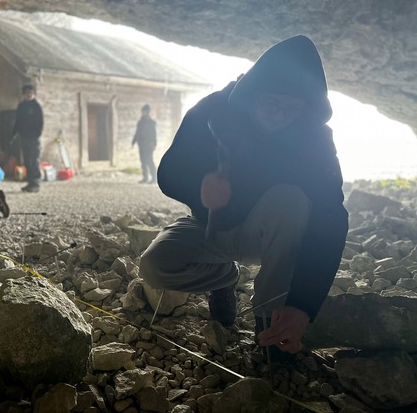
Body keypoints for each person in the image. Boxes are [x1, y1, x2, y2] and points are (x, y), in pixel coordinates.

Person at [139, 36, 348, 358]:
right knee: (155, 266)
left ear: (306, 109)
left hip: (269, 236)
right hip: (211, 226)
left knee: (291, 200)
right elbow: (169, 172)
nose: (279, 116)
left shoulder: (315, 139)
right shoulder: (212, 110)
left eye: (291, 109)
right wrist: (199, 187)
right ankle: (224, 278)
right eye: (271, 104)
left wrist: (302, 307)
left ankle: (272, 325)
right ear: (252, 95)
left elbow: (331, 218)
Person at [12, 84, 43, 193]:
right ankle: (30, 182)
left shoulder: (36, 106)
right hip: (23, 137)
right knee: (27, 160)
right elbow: (17, 121)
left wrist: (37, 135)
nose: (29, 94)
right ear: (24, 94)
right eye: (27, 93)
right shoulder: (21, 106)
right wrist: (14, 133)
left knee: (34, 159)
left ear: (34, 94)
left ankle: (35, 183)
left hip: (34, 138)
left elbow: (40, 123)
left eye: (31, 92)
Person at [132, 104, 157, 184]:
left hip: (149, 145)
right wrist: (134, 141)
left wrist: (154, 144)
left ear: (147, 112)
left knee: (150, 161)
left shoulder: (151, 123)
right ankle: (145, 177)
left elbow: (154, 134)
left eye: (143, 111)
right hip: (141, 144)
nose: (142, 113)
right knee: (143, 161)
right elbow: (137, 133)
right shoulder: (140, 122)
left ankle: (154, 178)